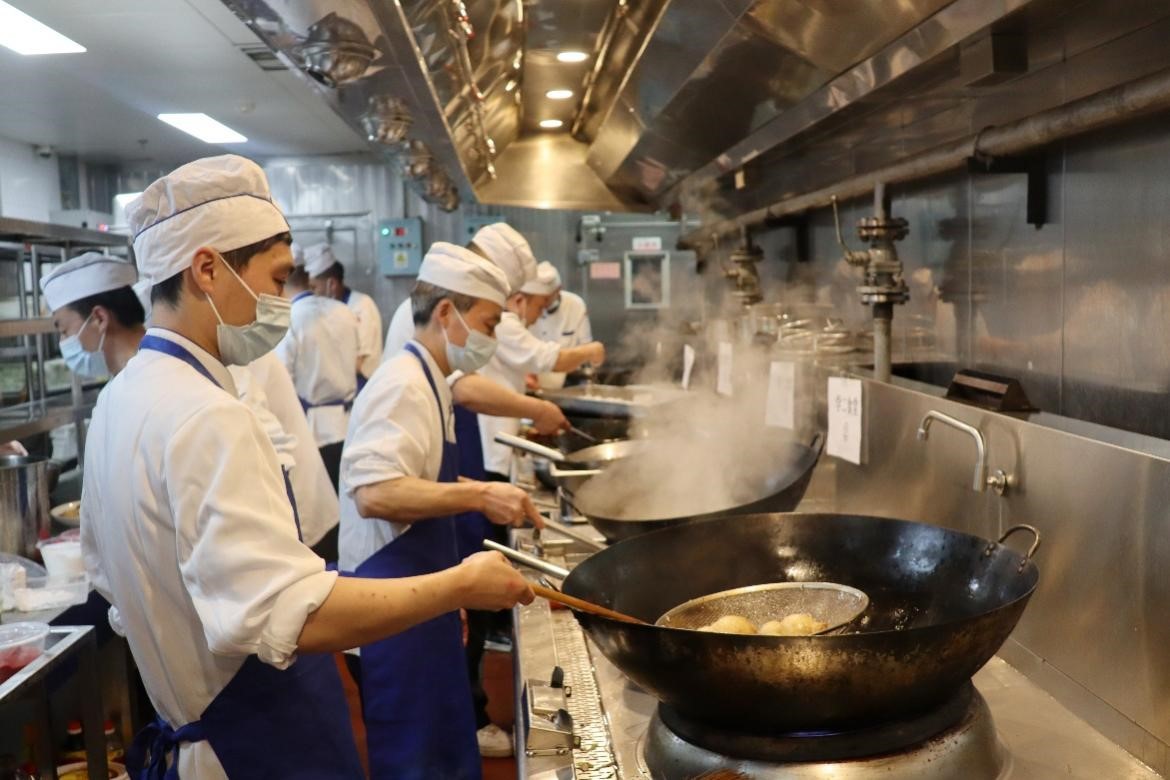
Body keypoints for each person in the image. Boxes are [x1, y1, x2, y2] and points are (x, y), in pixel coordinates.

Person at [81, 154, 533, 779]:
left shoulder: (118, 400)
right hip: (250, 747)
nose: (282, 302)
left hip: (196, 729)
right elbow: (291, 615)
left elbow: (113, 586)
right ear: (207, 269)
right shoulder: (208, 416)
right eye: (275, 279)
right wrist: (459, 584)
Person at [339, 241, 545, 779]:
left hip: (420, 596)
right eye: (489, 323)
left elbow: (418, 479)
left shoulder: (431, 378)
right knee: (415, 760)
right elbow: (375, 494)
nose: (491, 338)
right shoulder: (402, 385)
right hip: (388, 608)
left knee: (442, 751)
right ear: (448, 313)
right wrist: (479, 495)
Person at [41, 252, 342, 556]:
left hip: (288, 525)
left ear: (99, 318)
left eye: (64, 330)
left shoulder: (202, 364)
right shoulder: (121, 390)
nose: (65, 343)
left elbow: (271, 462)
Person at [479, 260, 606, 480]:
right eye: (539, 307)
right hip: (491, 434)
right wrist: (591, 350)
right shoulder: (505, 324)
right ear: (519, 300)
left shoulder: (506, 322)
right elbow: (550, 359)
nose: (539, 316)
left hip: (501, 430)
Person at [276, 265, 361, 494]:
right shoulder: (344, 311)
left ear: (282, 284)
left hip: (313, 432)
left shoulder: (289, 318)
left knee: (322, 502)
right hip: (350, 426)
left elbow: (281, 380)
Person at [304, 244, 382, 387]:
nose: (312, 294)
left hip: (362, 388)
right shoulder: (323, 310)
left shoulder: (362, 306)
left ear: (332, 284)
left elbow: (358, 363)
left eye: (314, 288)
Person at [528, 262, 594, 390]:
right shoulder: (525, 310)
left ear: (559, 290)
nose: (544, 304)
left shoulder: (575, 305)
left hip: (569, 378)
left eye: (547, 298)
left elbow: (586, 347)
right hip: (534, 378)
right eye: (540, 301)